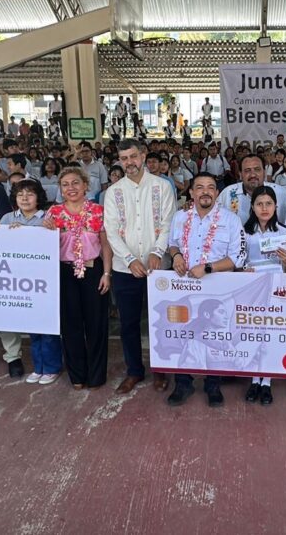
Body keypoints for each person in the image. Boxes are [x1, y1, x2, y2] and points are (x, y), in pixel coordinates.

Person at [163, 173, 247, 407]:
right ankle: (183, 383)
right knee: (183, 334)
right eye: (199, 187)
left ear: (217, 193)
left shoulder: (230, 220)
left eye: (211, 187)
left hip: (217, 290)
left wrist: (208, 267)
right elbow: (172, 243)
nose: (205, 191)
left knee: (214, 336)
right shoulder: (180, 217)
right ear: (191, 193)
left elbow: (239, 257)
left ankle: (213, 384)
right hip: (184, 289)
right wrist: (176, 255)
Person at [104, 139, 177, 394]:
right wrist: (130, 259)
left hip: (159, 267)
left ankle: (161, 370)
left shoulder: (162, 186)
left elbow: (169, 223)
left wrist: (157, 252)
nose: (129, 163)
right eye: (124, 159)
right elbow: (111, 231)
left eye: (133, 156)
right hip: (126, 269)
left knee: (161, 321)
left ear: (143, 156)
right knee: (129, 323)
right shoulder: (113, 192)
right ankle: (134, 370)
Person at [43, 168, 112, 389]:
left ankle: (96, 375)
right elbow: (43, 246)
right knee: (70, 326)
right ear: (60, 189)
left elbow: (106, 244)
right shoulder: (53, 213)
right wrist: (47, 232)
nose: (70, 188)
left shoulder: (98, 211)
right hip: (64, 273)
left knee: (96, 325)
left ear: (85, 186)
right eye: (65, 184)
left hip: (94, 271)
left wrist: (107, 273)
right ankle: (77, 376)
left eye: (75, 183)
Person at [0, 179, 61, 383]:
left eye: (30, 194)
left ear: (38, 197)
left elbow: (58, 243)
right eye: (20, 195)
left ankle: (52, 367)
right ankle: (38, 367)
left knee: (47, 326)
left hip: (43, 280)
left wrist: (52, 230)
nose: (25, 198)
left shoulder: (48, 217)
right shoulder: (7, 218)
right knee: (32, 326)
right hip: (19, 281)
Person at [240, 186, 286, 404]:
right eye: (260, 204)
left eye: (269, 204)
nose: (264, 208)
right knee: (254, 333)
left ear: (276, 206)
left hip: (275, 288)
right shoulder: (244, 232)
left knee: (270, 334)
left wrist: (285, 260)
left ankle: (267, 381)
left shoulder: (284, 232)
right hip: (252, 288)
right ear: (252, 207)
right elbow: (238, 263)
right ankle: (254, 378)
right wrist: (244, 270)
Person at [217, 154, 286, 225]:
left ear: (264, 172)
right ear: (240, 174)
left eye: (257, 169)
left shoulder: (283, 194)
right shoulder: (227, 194)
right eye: (247, 170)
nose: (253, 174)